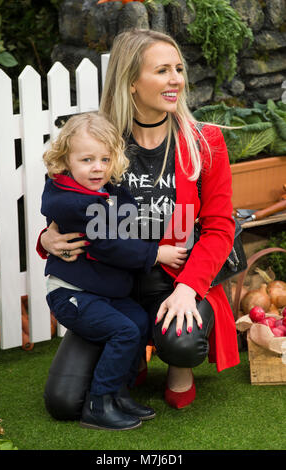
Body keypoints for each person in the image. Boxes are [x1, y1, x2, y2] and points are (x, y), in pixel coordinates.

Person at [38, 28, 240, 412]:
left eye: (178, 69)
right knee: (64, 403)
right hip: (111, 289)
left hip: (174, 277)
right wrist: (46, 239)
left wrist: (189, 289)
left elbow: (219, 227)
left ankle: (176, 363)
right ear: (132, 82)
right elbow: (69, 204)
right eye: (162, 70)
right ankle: (132, 355)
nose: (176, 79)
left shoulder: (203, 141)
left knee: (181, 339)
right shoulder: (100, 140)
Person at [41, 111, 187, 430]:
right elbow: (110, 245)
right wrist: (155, 253)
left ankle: (119, 392)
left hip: (102, 292)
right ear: (65, 161)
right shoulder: (71, 202)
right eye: (87, 160)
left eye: (105, 159)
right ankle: (98, 403)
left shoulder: (100, 189)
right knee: (122, 331)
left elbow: (127, 207)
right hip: (73, 293)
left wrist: (119, 208)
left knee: (136, 320)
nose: (97, 168)